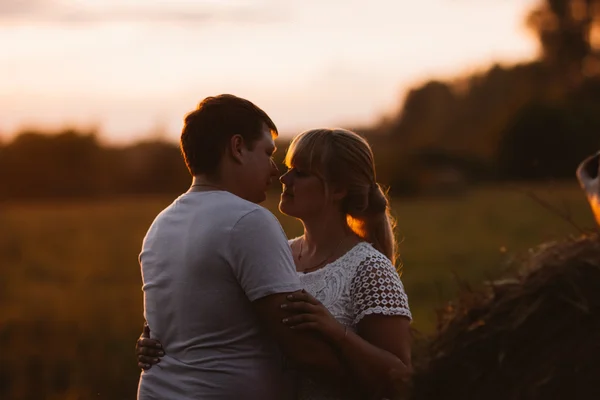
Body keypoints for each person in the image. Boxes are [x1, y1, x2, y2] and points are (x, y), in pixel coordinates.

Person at [138, 126, 413, 399]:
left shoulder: (370, 268)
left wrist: (337, 332)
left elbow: (401, 379)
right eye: (288, 168)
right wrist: (162, 341)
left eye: (301, 173)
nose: (284, 178)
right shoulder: (273, 252)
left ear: (339, 189)